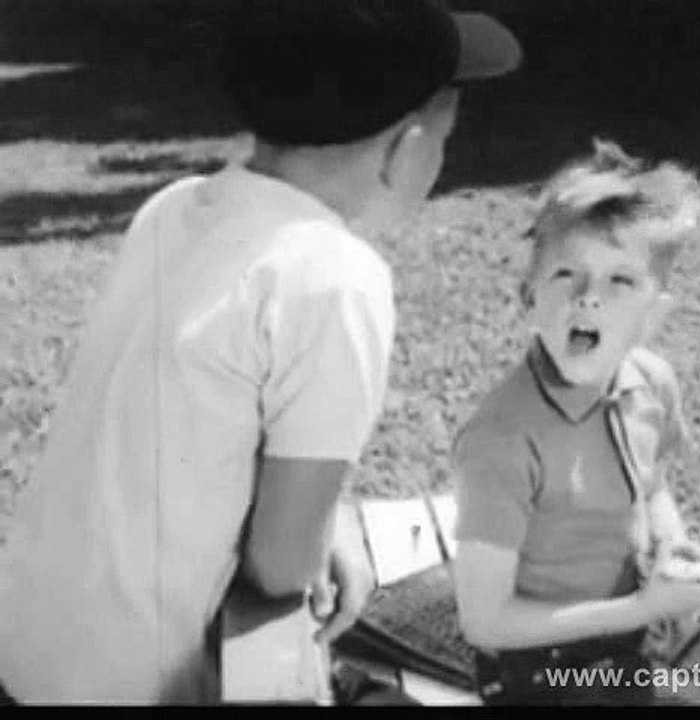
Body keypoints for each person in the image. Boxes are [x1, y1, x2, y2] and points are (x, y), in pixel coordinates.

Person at [0, 0, 521, 704]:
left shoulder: (174, 209)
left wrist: (317, 532)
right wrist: (309, 544)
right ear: (407, 149)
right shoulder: (336, 276)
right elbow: (279, 569)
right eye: (444, 140)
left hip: (27, 658)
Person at [452, 139, 700, 705]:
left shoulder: (651, 383)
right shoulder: (502, 440)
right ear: (528, 298)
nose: (589, 298)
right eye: (566, 273)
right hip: (545, 663)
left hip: (644, 626)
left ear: (653, 315)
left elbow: (651, 486)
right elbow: (485, 622)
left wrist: (672, 548)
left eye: (620, 281)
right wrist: (640, 609)